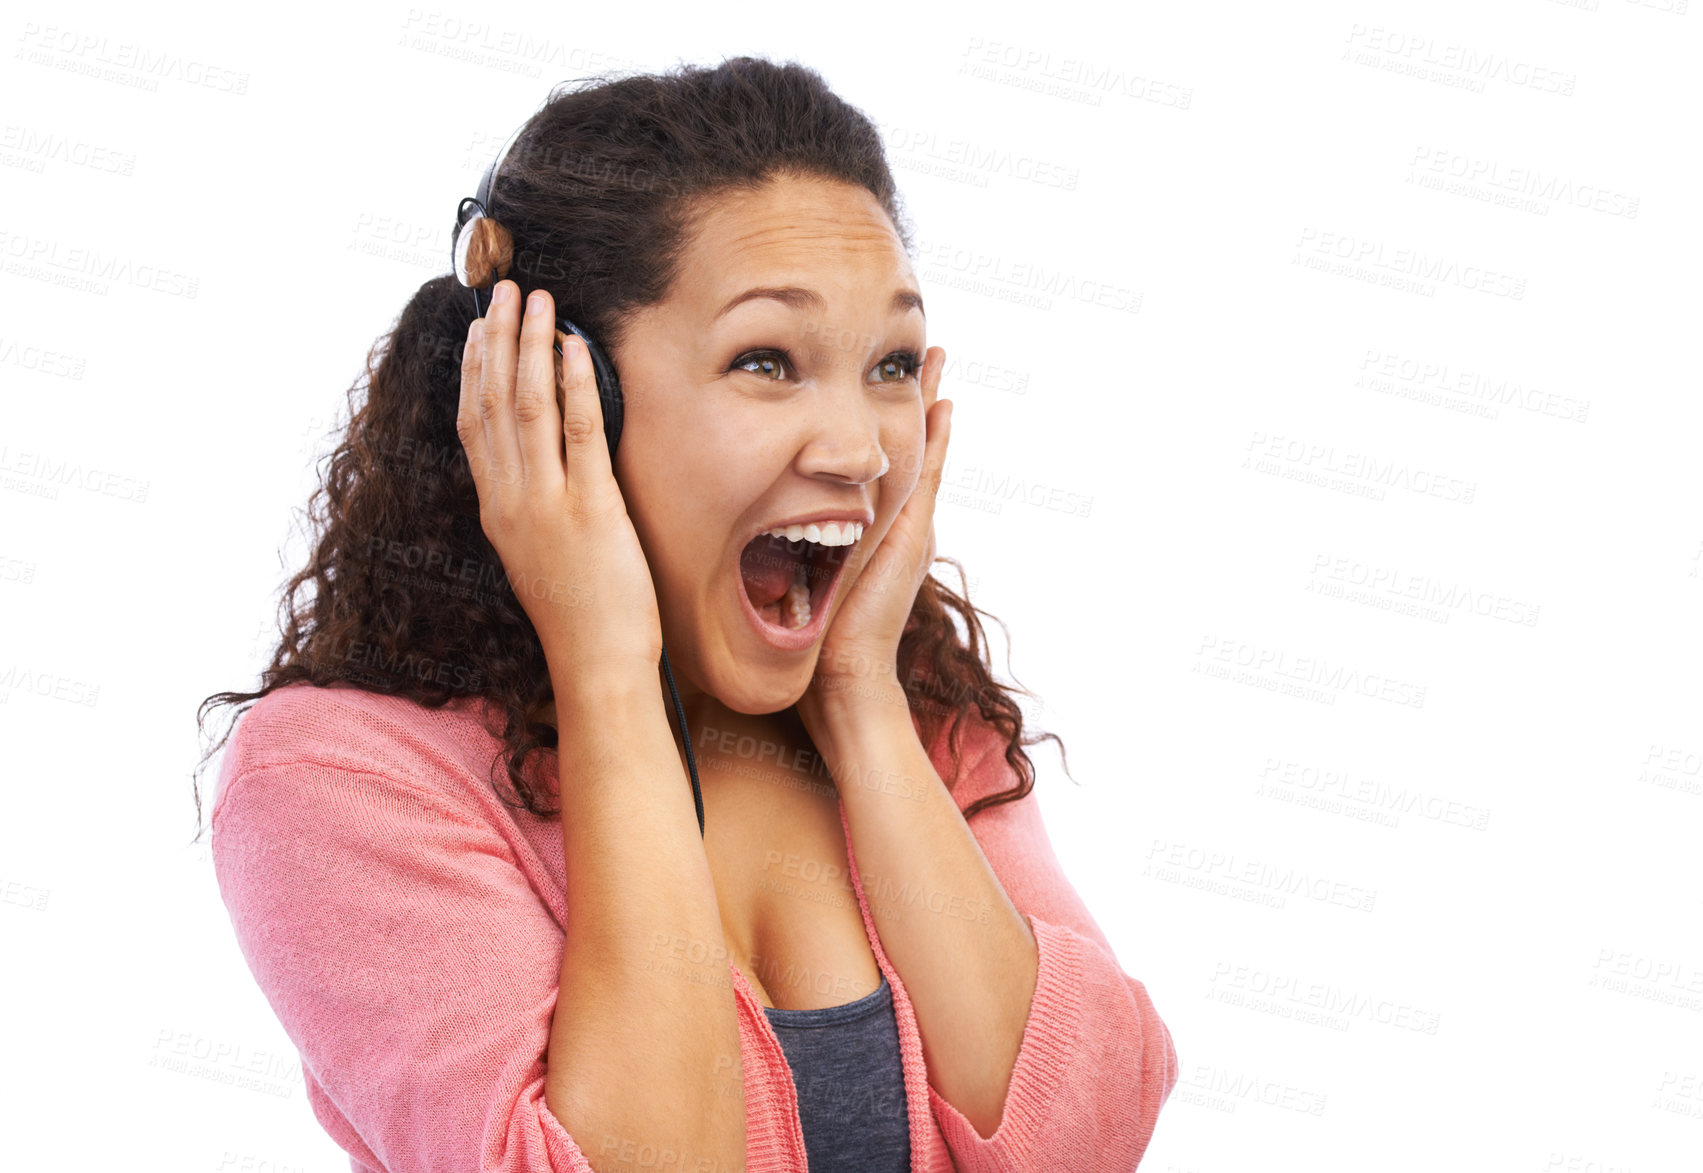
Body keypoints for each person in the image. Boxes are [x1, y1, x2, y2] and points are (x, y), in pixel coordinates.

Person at [195, 55, 1178, 1173]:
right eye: (768, 361)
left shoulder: (928, 724)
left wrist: (862, 709)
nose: (858, 451)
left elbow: (1087, 1139)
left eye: (891, 364)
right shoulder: (343, 780)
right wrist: (606, 667)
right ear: (568, 392)